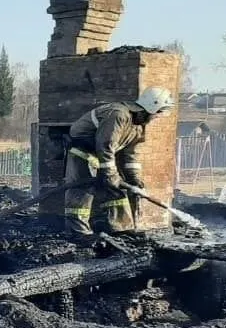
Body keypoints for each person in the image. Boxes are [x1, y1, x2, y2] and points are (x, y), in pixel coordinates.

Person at [62, 86, 174, 238]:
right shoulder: (119, 115)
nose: (158, 117)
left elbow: (130, 155)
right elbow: (105, 145)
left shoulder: (138, 126)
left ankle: (121, 230)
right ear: (152, 107)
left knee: (116, 190)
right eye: (159, 112)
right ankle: (79, 234)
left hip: (103, 156)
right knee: (82, 190)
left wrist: (134, 179)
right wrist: (110, 174)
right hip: (83, 152)